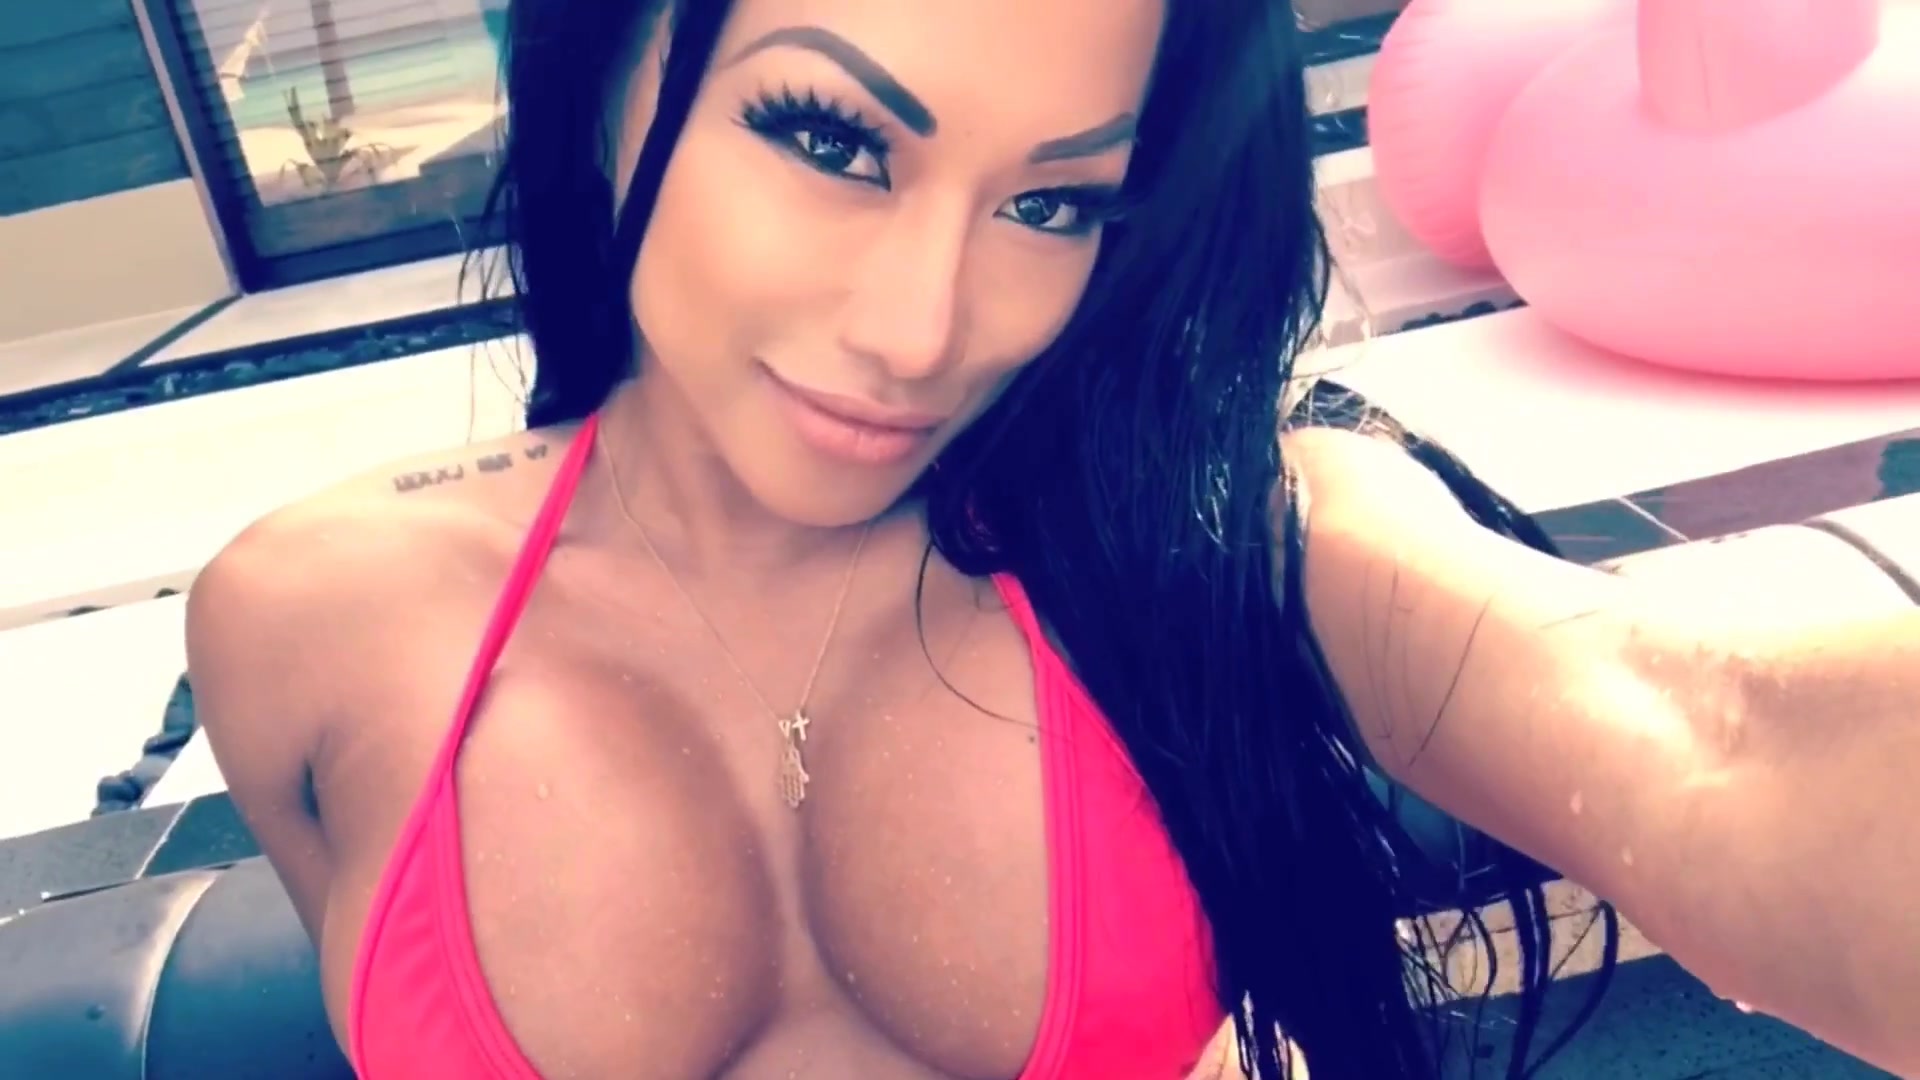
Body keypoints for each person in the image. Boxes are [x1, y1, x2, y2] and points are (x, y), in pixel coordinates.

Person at [183, 0, 1920, 1077]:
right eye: (831, 139)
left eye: (1052, 201)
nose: (924, 329)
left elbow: (1714, 742)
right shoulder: (305, 626)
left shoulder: (1222, 537)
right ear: (605, 76)